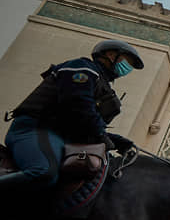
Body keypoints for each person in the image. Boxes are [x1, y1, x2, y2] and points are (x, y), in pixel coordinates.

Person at [1, 39, 144, 194]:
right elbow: (78, 105)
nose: (128, 69)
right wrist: (102, 136)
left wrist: (113, 139)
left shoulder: (104, 85)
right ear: (110, 55)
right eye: (127, 62)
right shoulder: (81, 68)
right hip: (35, 128)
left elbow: (82, 122)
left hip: (62, 137)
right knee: (44, 172)